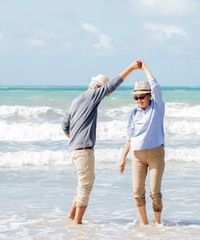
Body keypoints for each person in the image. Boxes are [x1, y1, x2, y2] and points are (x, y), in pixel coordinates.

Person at [62, 60, 142, 224]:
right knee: (86, 186)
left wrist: (75, 138)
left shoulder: (76, 100)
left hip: (73, 151)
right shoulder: (92, 96)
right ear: (97, 88)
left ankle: (71, 215)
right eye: (103, 95)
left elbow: (64, 125)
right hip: (83, 150)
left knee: (82, 182)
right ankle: (77, 223)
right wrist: (131, 68)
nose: (104, 97)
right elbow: (112, 85)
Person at [119, 61, 165, 225]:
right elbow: (129, 136)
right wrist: (123, 157)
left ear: (149, 95)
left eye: (141, 97)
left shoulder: (157, 107)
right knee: (137, 193)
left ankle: (158, 224)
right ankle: (145, 225)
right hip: (137, 155)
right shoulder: (134, 113)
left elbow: (156, 86)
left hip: (155, 154)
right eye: (136, 98)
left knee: (154, 192)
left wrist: (144, 68)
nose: (138, 100)